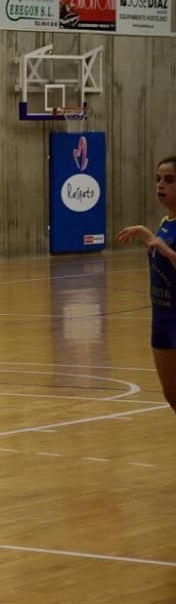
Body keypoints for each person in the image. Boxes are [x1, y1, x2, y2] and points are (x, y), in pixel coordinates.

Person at [116, 155, 176, 414]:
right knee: (172, 395)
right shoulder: (165, 224)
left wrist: (168, 252)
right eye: (157, 179)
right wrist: (145, 233)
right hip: (162, 319)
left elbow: (168, 254)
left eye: (169, 180)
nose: (160, 185)